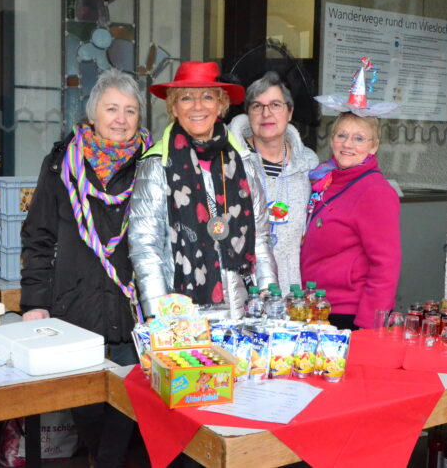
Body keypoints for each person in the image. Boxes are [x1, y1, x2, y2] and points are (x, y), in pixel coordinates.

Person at [20, 68, 150, 467]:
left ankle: (106, 461)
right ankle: (101, 455)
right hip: (76, 308)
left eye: (130, 110)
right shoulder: (61, 164)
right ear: (92, 113)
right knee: (87, 406)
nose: (121, 119)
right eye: (112, 108)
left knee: (129, 399)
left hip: (134, 308)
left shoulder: (153, 164)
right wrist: (35, 302)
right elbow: (38, 237)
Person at [129, 61, 277, 319]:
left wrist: (268, 294)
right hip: (183, 317)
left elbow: (260, 239)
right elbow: (145, 248)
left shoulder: (244, 162)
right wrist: (157, 314)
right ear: (174, 108)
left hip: (244, 311)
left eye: (208, 97)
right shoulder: (156, 165)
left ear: (221, 105)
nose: (198, 106)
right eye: (186, 98)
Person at [299, 111, 400, 330]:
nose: (348, 144)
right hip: (316, 308)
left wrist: (368, 325)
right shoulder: (326, 179)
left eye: (359, 138)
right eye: (341, 135)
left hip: (348, 314)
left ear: (374, 146)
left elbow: (386, 266)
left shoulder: (375, 191)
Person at [228, 71, 318, 292]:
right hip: (242, 288)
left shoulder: (309, 164)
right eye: (257, 106)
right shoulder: (229, 162)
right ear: (248, 114)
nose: (266, 113)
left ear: (290, 111)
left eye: (275, 105)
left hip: (294, 289)